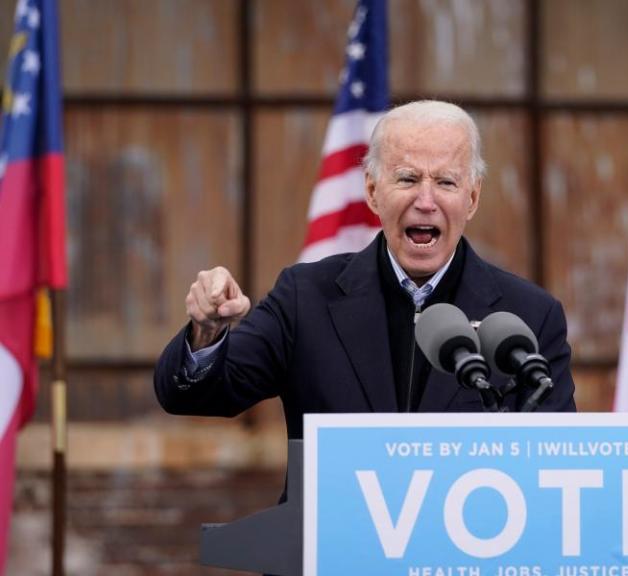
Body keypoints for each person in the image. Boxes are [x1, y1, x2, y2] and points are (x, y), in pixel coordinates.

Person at [154, 100, 576, 439]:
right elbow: (196, 395)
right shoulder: (305, 298)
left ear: (472, 198)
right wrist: (206, 332)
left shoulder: (530, 316)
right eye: (407, 179)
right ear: (372, 192)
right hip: (334, 544)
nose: (426, 201)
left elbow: (556, 466)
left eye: (446, 182)